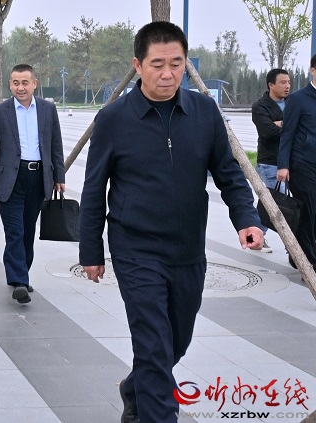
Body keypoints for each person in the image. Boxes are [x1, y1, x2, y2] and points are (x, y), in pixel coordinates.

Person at [78, 21, 263, 423]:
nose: (167, 74)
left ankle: (135, 389)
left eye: (176, 63)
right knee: (153, 346)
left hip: (188, 250)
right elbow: (94, 190)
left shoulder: (204, 112)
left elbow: (229, 173)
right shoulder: (113, 119)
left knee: (175, 342)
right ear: (138, 65)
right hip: (136, 251)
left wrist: (247, 219)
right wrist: (90, 251)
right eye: (157, 64)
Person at [0, 64, 65, 303]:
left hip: (38, 177)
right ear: (10, 84)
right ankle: (19, 280)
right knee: (14, 232)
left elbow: (55, 144)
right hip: (11, 180)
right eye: (15, 83)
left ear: (34, 84)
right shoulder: (0, 112)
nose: (20, 88)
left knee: (28, 231)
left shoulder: (48, 110)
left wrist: (59, 176)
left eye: (25, 83)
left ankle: (21, 274)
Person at [277, 54, 316, 269]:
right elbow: (288, 133)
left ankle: (297, 255)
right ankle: (308, 261)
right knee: (308, 211)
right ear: (313, 70)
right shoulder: (298, 99)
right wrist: (283, 165)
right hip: (302, 163)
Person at [251, 68, 290, 252]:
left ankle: (256, 236)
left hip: (292, 162)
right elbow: (268, 131)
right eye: (283, 82)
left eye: (289, 82)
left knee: (274, 203)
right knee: (275, 204)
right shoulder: (260, 106)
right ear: (271, 85)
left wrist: (280, 124)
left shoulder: (292, 103)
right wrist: (289, 125)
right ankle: (292, 246)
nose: (287, 86)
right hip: (270, 162)